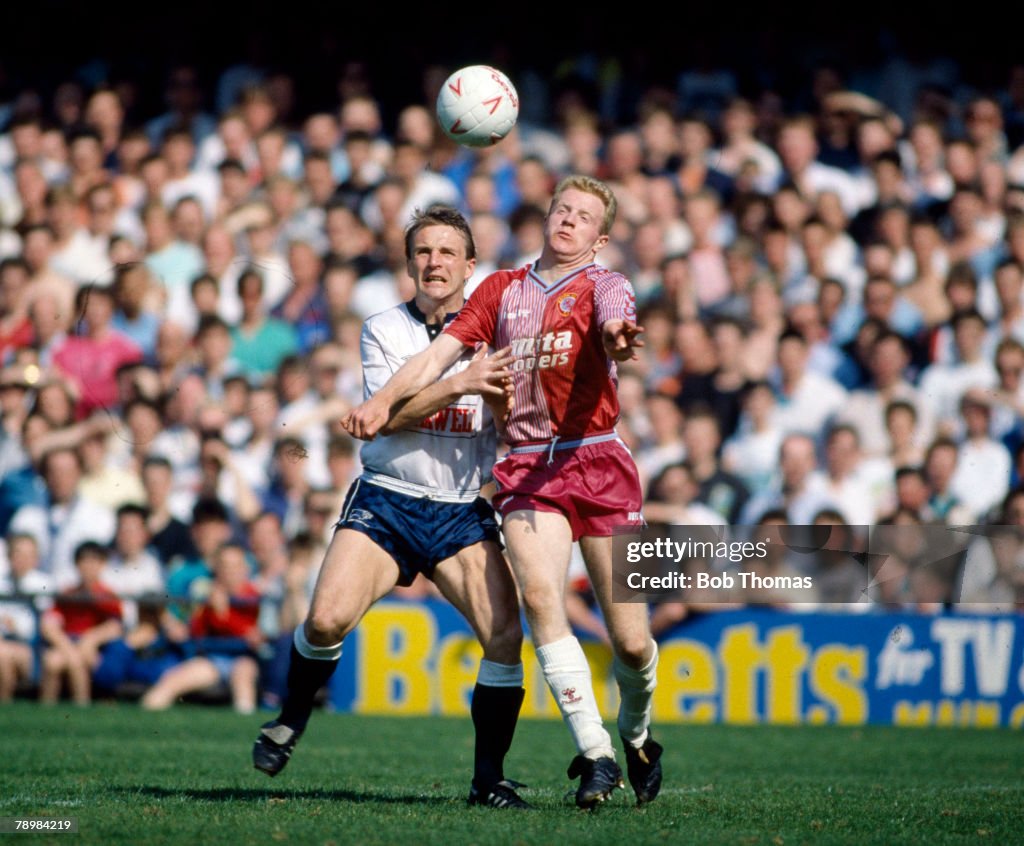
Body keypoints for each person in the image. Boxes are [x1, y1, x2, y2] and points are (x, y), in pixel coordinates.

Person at [344, 176, 662, 809]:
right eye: (562, 209)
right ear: (547, 217)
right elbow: (436, 360)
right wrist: (381, 401)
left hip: (596, 459)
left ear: (599, 238)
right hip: (525, 466)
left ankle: (637, 732)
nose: (568, 220)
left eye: (584, 217)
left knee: (629, 641)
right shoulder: (500, 289)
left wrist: (619, 337)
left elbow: (614, 319)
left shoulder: (603, 283)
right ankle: (596, 753)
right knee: (541, 596)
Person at [253, 207, 529, 810]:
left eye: (448, 252)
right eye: (424, 252)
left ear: (471, 266)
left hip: (459, 507)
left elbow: (511, 425)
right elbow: (385, 422)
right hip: (389, 498)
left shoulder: (500, 333)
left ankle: (488, 781)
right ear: (409, 265)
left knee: (506, 636)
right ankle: (292, 717)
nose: (435, 262)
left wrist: (508, 402)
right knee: (325, 621)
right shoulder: (382, 327)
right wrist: (459, 383)